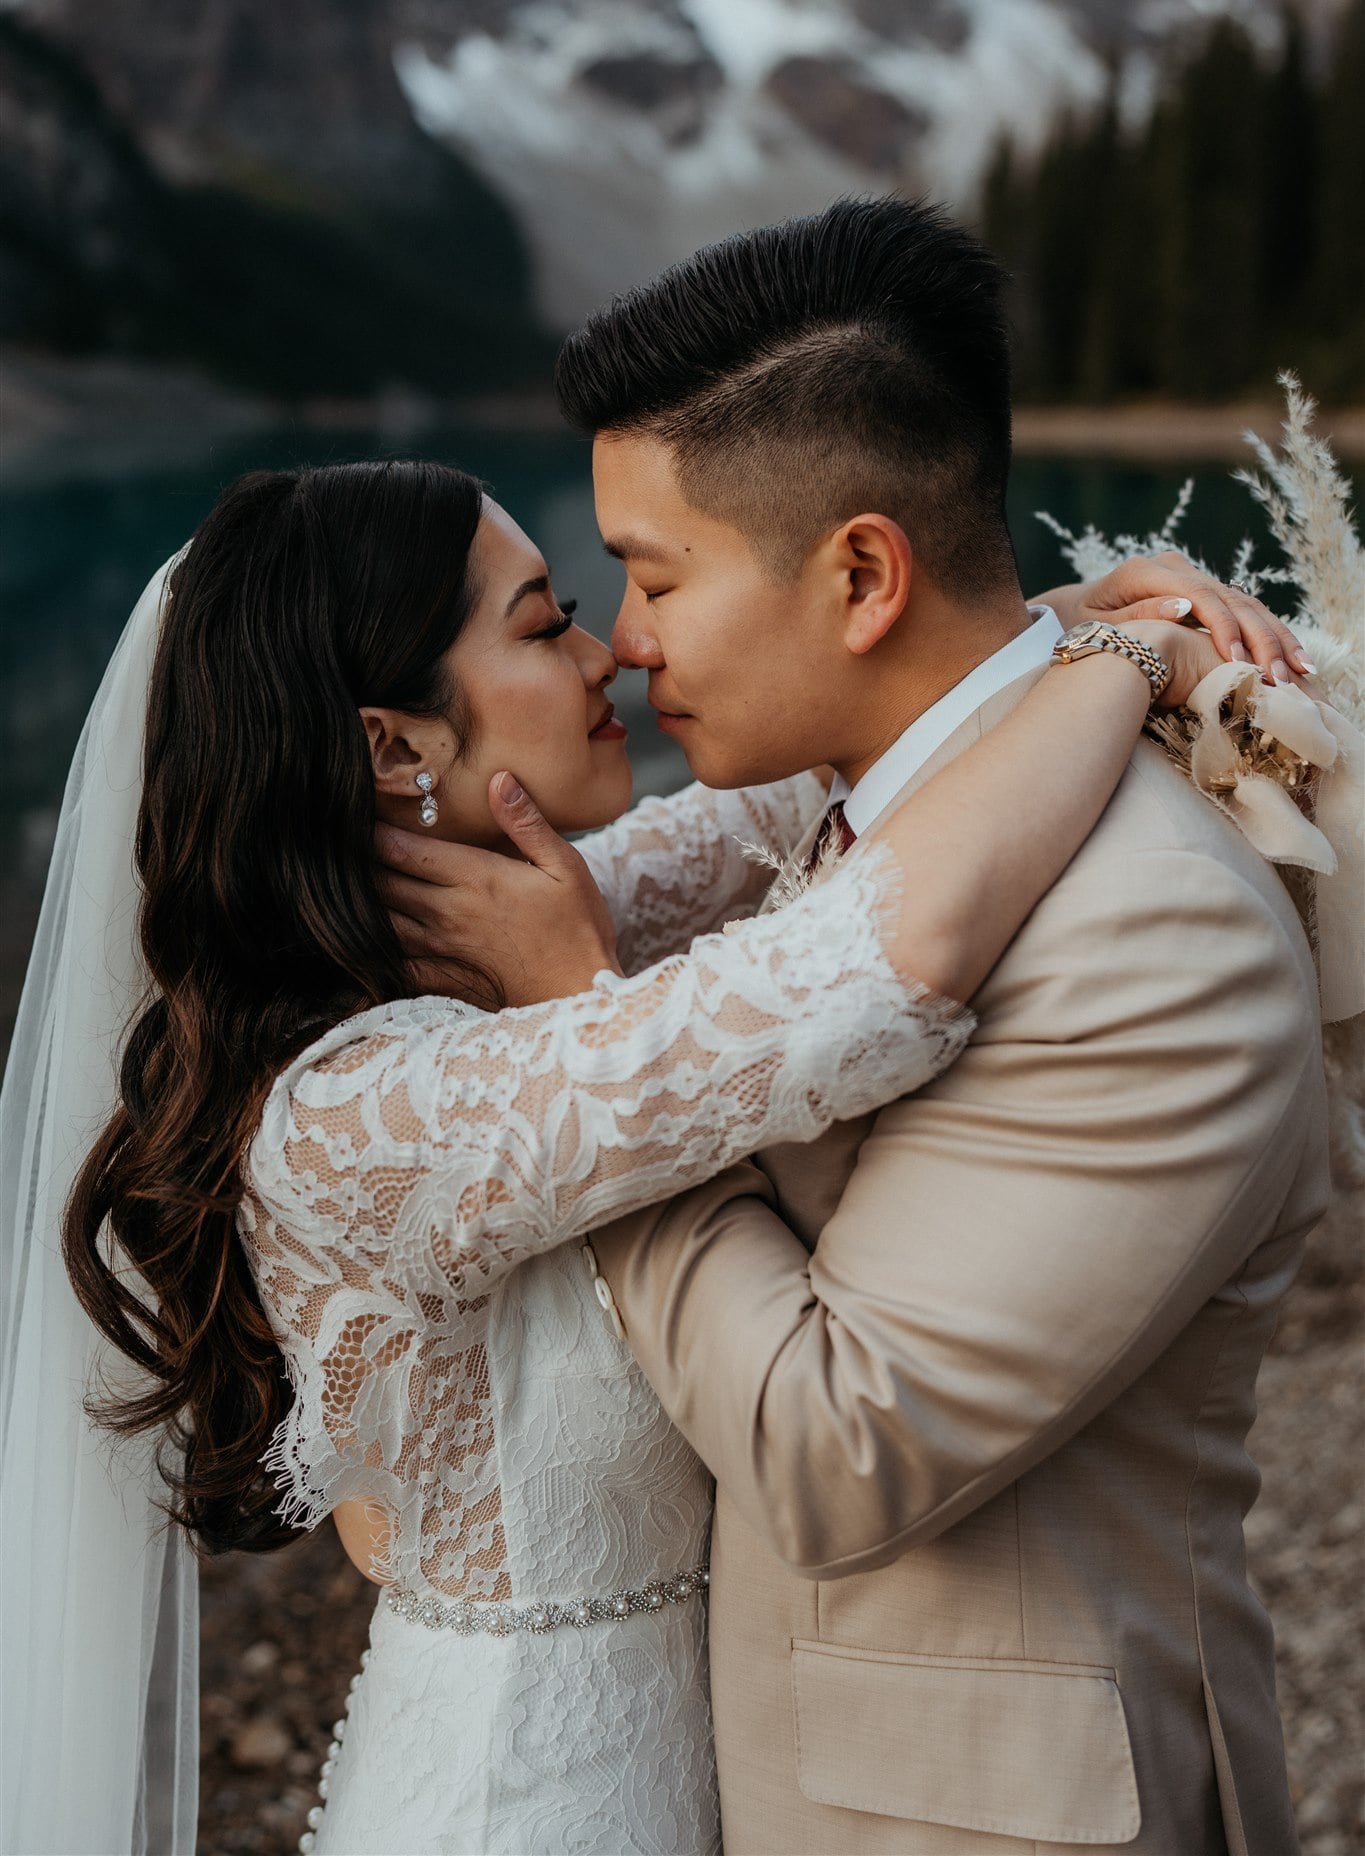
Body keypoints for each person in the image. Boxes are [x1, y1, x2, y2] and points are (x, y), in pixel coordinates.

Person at [0, 450, 1281, 1856]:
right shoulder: (359, 1113)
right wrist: (1117, 662)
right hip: (526, 1802)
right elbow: (868, 966)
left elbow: (818, 785)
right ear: (393, 747)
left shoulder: (530, 931)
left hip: (696, 1770)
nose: (610, 648)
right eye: (545, 625)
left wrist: (1055, 613)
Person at [375, 200, 1351, 1856]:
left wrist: (584, 1036)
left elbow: (839, 1448)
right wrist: (1100, 629)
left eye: (656, 572)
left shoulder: (1150, 930)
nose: (624, 639)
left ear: (860, 573)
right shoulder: (851, 812)